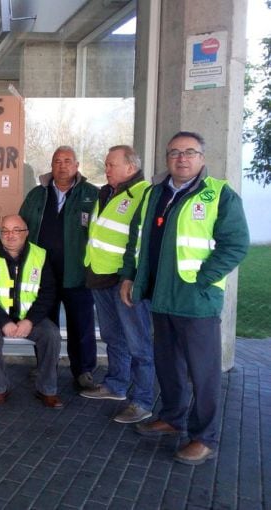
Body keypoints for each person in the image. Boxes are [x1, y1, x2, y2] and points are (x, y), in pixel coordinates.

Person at [121, 131, 249, 465]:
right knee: (168, 364)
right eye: (175, 152)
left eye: (189, 152)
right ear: (167, 158)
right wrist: (130, 275)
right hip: (160, 298)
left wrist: (202, 280)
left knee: (203, 372)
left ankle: (204, 437)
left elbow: (235, 244)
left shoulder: (218, 195)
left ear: (201, 158)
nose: (182, 158)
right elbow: (136, 239)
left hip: (196, 301)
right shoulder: (154, 194)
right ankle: (173, 417)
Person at [80, 145, 153, 424]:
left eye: (111, 164)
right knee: (113, 336)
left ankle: (143, 400)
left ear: (130, 168)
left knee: (139, 343)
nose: (106, 169)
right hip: (100, 276)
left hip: (125, 281)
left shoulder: (144, 193)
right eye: (107, 164)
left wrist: (130, 277)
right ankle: (116, 385)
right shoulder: (107, 192)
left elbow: (141, 242)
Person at [19, 146, 99, 389]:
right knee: (45, 323)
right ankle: (45, 366)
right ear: (51, 166)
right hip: (43, 274)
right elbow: (22, 229)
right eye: (57, 161)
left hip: (78, 272)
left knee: (81, 324)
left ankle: (83, 371)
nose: (62, 166)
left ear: (76, 166)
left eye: (67, 161)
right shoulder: (37, 195)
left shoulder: (92, 194)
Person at [0, 214, 64, 409]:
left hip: (30, 317)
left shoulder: (41, 255)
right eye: (5, 231)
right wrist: (3, 321)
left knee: (52, 335)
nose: (10, 235)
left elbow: (48, 292)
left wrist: (30, 321)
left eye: (16, 230)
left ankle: (47, 389)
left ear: (26, 233)